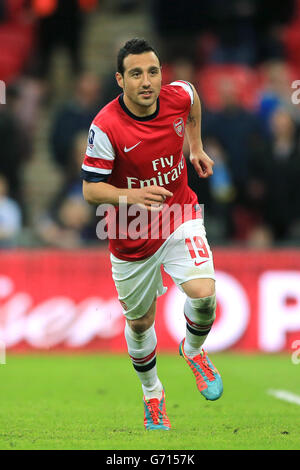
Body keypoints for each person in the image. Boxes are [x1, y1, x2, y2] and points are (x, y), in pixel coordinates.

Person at [81, 38, 223, 431]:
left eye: (153, 71)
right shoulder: (106, 126)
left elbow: (192, 97)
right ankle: (153, 394)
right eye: (137, 73)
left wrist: (194, 146)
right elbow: (91, 189)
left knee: (205, 294)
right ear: (120, 80)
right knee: (141, 323)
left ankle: (193, 351)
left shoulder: (177, 96)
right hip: (131, 235)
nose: (147, 81)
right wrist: (131, 196)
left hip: (179, 214)